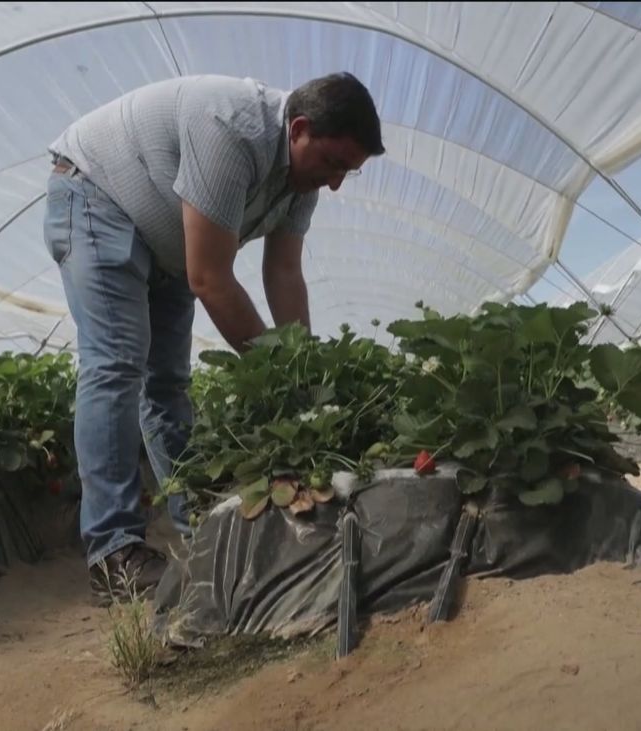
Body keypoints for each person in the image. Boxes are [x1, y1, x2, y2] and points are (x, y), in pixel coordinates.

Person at [42, 72, 385, 602]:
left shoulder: (303, 179)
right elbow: (210, 279)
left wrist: (310, 380)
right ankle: (114, 554)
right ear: (298, 130)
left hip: (169, 243)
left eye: (349, 172)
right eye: (335, 164)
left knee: (167, 385)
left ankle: (204, 527)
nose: (336, 181)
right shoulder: (232, 130)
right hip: (97, 196)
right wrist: (279, 385)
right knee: (116, 364)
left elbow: (285, 275)